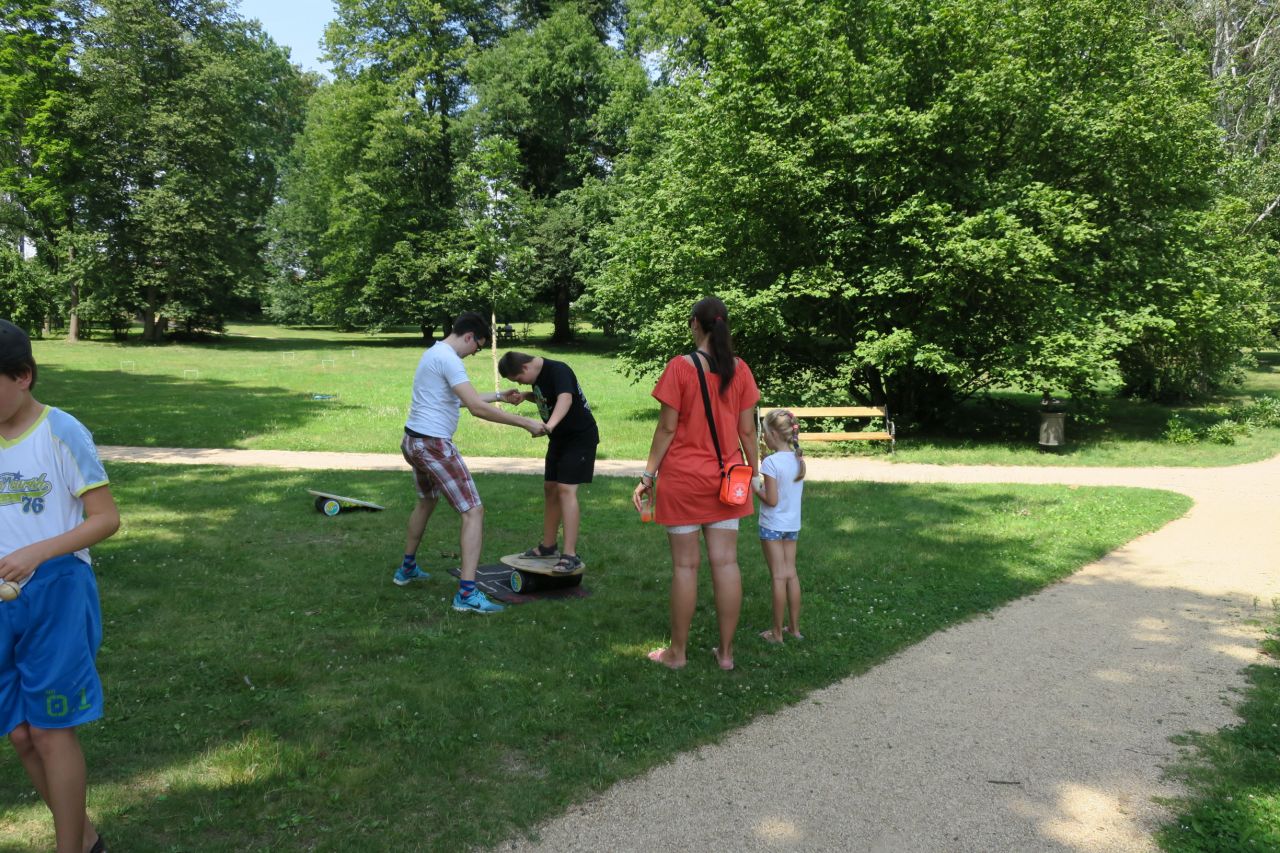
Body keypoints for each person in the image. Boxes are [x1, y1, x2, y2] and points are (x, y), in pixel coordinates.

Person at [0, 319, 119, 853]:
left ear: (22, 376)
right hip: (3, 597)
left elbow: (106, 518)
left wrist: (36, 553)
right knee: (20, 732)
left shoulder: (61, 431)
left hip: (58, 591)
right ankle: (85, 839)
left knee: (50, 730)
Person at [632, 297, 759, 671]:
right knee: (727, 562)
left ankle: (678, 653)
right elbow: (747, 431)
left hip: (684, 480)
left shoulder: (680, 367)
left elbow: (667, 428)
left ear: (694, 324)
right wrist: (755, 473)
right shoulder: (740, 370)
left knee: (686, 568)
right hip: (728, 480)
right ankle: (726, 654)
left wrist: (648, 476)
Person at [395, 312, 547, 614]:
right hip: (433, 445)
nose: (476, 352)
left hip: (412, 441)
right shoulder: (450, 359)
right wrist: (526, 423)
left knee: (427, 500)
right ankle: (466, 594)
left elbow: (460, 399)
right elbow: (476, 408)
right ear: (469, 336)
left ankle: (407, 568)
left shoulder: (434, 353)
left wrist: (499, 395)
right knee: (473, 511)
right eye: (477, 346)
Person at [497, 351, 599, 573]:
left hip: (579, 438)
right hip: (559, 439)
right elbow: (546, 396)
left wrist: (549, 425)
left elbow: (565, 398)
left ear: (525, 368)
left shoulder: (558, 370)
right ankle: (548, 546)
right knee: (550, 487)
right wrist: (526, 395)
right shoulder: (536, 376)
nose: (519, 383)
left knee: (566, 490)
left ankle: (570, 555)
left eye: (518, 379)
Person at [753, 409, 806, 643]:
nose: (763, 437)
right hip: (792, 526)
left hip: (772, 526)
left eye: (764, 433)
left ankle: (776, 633)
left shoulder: (770, 462)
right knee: (790, 574)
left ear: (774, 434)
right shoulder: (798, 459)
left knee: (777, 576)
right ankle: (794, 629)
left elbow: (771, 499)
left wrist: (755, 488)